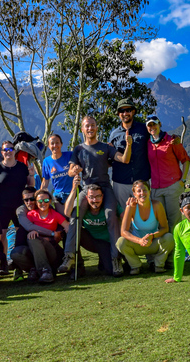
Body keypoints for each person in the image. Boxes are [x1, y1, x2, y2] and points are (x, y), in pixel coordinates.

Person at [59, 116, 131, 277]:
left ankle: (116, 259)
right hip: (87, 189)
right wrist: (75, 170)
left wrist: (129, 145)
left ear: (96, 128)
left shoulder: (105, 147)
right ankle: (69, 256)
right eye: (87, 126)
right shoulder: (78, 149)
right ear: (82, 129)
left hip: (105, 187)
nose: (90, 128)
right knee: (75, 216)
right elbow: (70, 171)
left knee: (111, 216)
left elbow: (124, 159)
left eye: (93, 125)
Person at [0, 140, 34, 271]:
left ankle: (19, 262)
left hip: (19, 206)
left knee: (20, 233)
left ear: (14, 151)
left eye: (10, 149)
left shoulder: (22, 167)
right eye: (5, 150)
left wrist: (32, 174)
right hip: (2, 206)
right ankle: (4, 262)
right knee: (1, 235)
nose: (8, 152)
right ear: (2, 153)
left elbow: (31, 185)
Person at [116, 180, 175, 274]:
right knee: (120, 242)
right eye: (139, 191)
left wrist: (152, 236)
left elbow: (165, 228)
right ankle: (135, 266)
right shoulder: (131, 207)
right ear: (134, 194)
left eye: (145, 190)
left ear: (149, 192)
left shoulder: (157, 205)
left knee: (169, 237)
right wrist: (139, 240)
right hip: (138, 244)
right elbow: (123, 232)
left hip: (153, 242)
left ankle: (158, 264)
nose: (142, 193)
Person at [145, 115, 190, 230]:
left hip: (173, 186)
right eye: (149, 125)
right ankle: (166, 247)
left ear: (160, 124)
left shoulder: (172, 140)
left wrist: (183, 180)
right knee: (160, 222)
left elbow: (186, 160)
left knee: (174, 221)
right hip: (155, 188)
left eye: (154, 124)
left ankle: (177, 247)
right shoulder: (147, 144)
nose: (152, 127)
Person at [11, 186, 63, 282]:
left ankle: (45, 270)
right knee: (15, 253)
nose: (29, 202)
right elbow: (28, 226)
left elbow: (59, 224)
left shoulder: (46, 207)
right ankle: (33, 269)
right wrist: (51, 233)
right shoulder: (22, 211)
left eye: (32, 199)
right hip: (30, 247)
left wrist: (55, 235)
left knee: (33, 238)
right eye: (26, 200)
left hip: (49, 247)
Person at [63, 181, 114, 277]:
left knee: (110, 271)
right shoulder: (83, 209)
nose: (95, 200)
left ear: (102, 196)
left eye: (98, 196)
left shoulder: (108, 207)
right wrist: (74, 188)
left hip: (106, 243)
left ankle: (104, 260)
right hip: (91, 241)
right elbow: (67, 212)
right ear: (86, 197)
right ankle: (78, 267)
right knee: (70, 229)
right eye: (91, 197)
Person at [109, 98, 151, 211]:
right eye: (122, 111)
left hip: (142, 180)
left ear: (133, 111)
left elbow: (158, 140)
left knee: (144, 213)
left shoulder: (144, 129)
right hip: (120, 182)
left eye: (128, 110)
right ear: (118, 114)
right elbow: (110, 157)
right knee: (123, 214)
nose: (125, 113)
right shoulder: (114, 134)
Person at [25, 188, 69, 283]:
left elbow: (67, 226)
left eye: (46, 200)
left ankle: (44, 271)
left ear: (50, 201)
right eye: (40, 201)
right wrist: (32, 231)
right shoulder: (31, 214)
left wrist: (62, 232)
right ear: (36, 202)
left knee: (34, 239)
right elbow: (27, 229)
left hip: (51, 248)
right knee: (32, 238)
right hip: (36, 248)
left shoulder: (55, 215)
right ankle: (42, 270)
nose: (43, 203)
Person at [41, 133, 75, 211]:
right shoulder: (46, 161)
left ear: (61, 144)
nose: (55, 145)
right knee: (62, 220)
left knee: (74, 218)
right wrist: (40, 197)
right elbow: (45, 182)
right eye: (52, 143)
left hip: (73, 193)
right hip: (58, 196)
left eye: (57, 142)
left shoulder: (70, 155)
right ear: (49, 146)